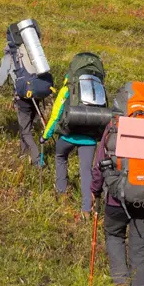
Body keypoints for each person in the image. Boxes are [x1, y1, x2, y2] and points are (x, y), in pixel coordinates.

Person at [91, 92, 144, 286]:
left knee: (114, 235)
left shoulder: (113, 126)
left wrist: (95, 191)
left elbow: (99, 163)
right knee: (140, 250)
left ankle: (121, 282)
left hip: (116, 198)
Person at [43, 53, 109, 219]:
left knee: (60, 155)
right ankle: (86, 210)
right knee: (86, 171)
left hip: (68, 134)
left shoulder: (68, 87)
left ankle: (62, 192)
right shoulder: (99, 88)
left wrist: (45, 135)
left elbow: (56, 115)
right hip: (89, 138)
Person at [0, 22, 53, 167]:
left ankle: (38, 160)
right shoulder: (31, 52)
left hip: (23, 96)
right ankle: (24, 154)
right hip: (37, 91)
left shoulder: (10, 56)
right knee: (27, 125)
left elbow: (0, 81)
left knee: (25, 130)